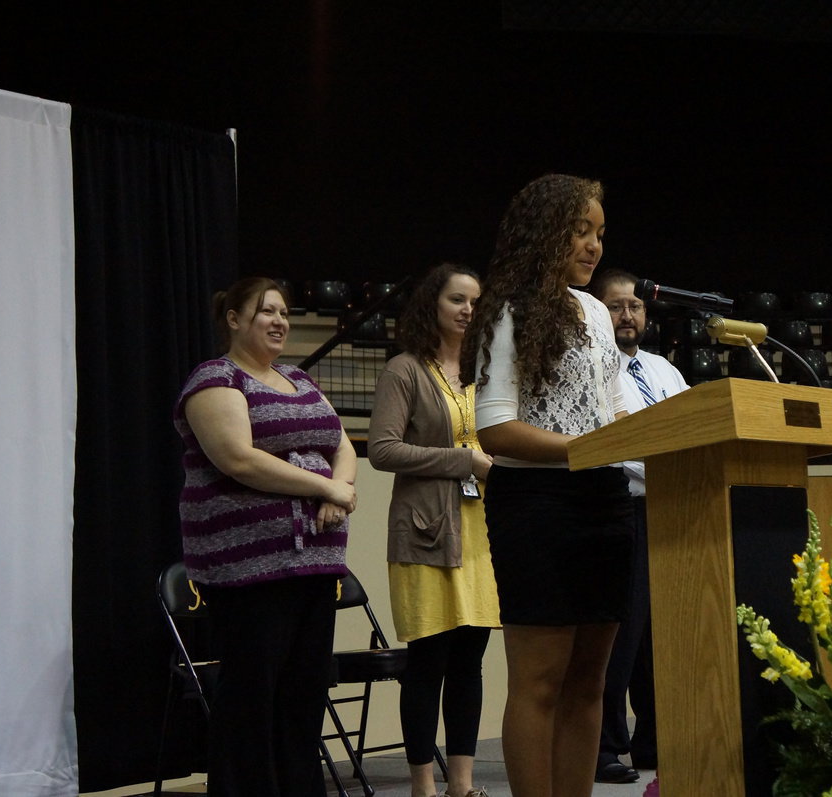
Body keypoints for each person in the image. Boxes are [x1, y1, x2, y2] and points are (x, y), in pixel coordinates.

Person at [460, 173, 633, 797]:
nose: (593, 247)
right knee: (539, 682)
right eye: (580, 232)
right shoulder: (507, 310)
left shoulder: (592, 310)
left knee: (591, 682)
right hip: (537, 505)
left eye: (600, 234)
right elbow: (496, 429)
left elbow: (615, 409)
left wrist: (646, 440)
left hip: (606, 500)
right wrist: (588, 449)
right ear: (544, 235)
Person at [173, 276, 357, 797]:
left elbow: (341, 443)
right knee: (251, 699)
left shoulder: (299, 378)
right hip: (248, 566)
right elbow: (237, 458)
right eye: (265, 312)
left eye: (283, 312)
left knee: (302, 696)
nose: (279, 321)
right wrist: (326, 486)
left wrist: (338, 488)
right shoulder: (215, 379)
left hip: (315, 563)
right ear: (233, 319)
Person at [368, 263, 500, 797]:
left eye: (475, 301)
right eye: (457, 300)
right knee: (429, 660)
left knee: (470, 661)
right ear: (433, 306)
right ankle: (423, 785)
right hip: (424, 533)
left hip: (481, 535)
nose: (468, 309)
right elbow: (383, 450)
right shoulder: (405, 369)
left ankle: (461, 786)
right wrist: (464, 460)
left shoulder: (484, 370)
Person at [589, 268, 690, 783]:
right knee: (621, 635)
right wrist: (661, 465)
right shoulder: (589, 368)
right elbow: (611, 442)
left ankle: (654, 740)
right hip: (619, 507)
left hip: (669, 509)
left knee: (660, 635)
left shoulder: (663, 369)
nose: (627, 315)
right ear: (594, 311)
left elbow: (692, 426)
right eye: (615, 306)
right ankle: (605, 745)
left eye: (635, 306)